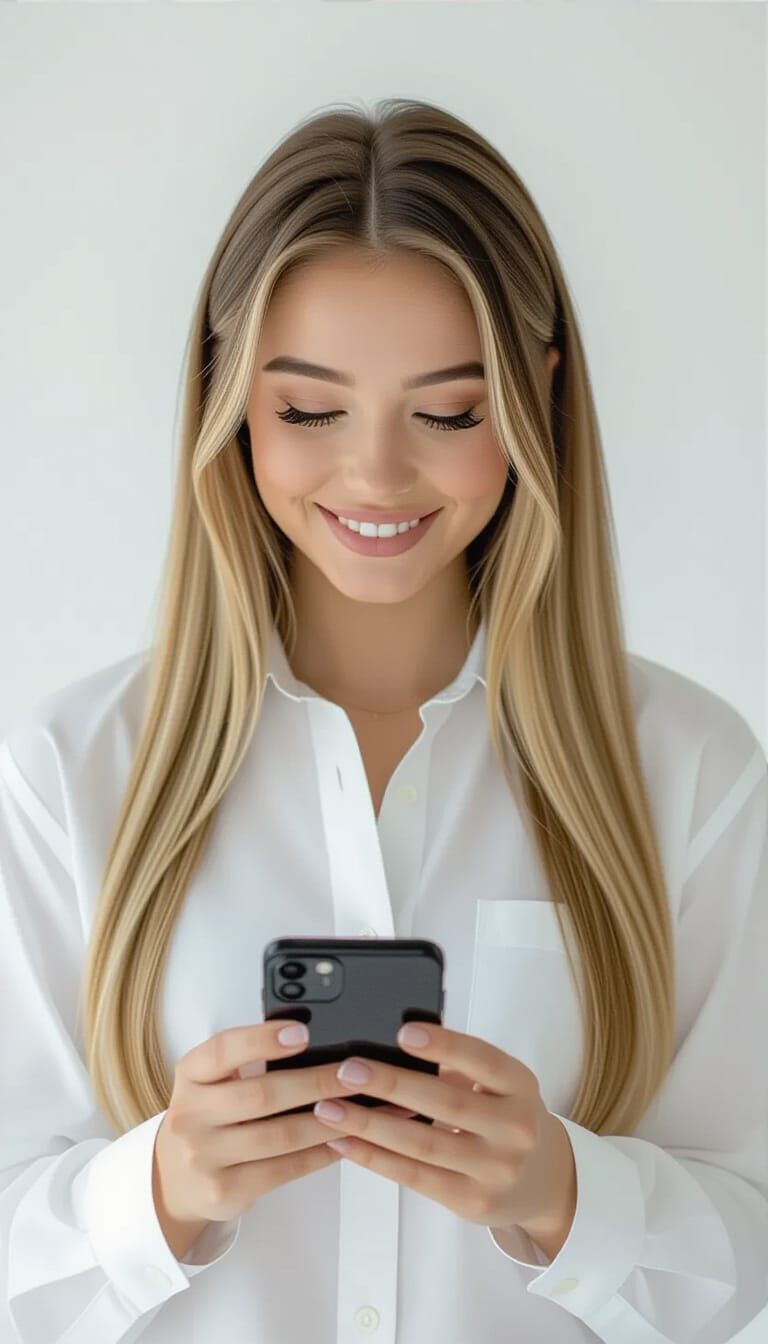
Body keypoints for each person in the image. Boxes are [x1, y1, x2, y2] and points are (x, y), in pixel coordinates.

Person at [2, 98, 766, 1344]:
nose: (375, 476)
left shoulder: (689, 772)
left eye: (451, 411)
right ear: (227, 402)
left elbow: (747, 1254)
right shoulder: (69, 775)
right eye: (309, 411)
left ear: (536, 403)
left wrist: (568, 1197)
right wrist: (159, 1195)